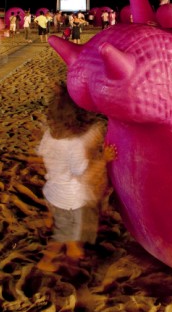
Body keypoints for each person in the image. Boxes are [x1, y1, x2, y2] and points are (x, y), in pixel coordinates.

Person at [35, 81, 114, 272]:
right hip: (69, 198)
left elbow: (41, 153)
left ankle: (73, 246)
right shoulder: (75, 145)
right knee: (64, 234)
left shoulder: (50, 136)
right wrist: (104, 158)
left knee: (67, 227)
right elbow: (82, 172)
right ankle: (47, 260)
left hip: (52, 191)